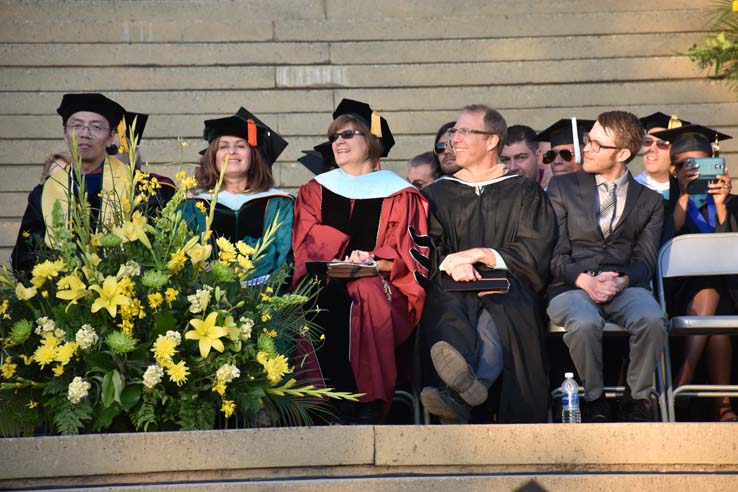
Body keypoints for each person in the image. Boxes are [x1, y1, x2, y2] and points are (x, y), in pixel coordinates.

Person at [291, 99, 429, 423]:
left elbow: (409, 253)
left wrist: (373, 259)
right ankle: (317, 403)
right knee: (311, 294)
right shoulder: (314, 191)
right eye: (334, 136)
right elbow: (305, 244)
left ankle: (368, 403)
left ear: (371, 139)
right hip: (326, 278)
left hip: (382, 286)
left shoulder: (401, 193)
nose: (338, 142)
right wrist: (341, 254)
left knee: (366, 291)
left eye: (348, 134)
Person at [420, 104, 556, 424]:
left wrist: (482, 255)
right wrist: (452, 263)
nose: (455, 139)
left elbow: (535, 248)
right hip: (452, 283)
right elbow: (427, 247)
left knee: (497, 313)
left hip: (509, 283)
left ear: (493, 141)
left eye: (465, 131)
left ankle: (459, 396)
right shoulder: (437, 194)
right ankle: (466, 390)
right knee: (448, 308)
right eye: (454, 132)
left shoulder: (525, 191)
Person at [547, 110, 668, 422]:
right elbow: (554, 254)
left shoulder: (650, 201)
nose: (586, 148)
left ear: (623, 153)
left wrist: (621, 281)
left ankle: (636, 399)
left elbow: (645, 261)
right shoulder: (562, 189)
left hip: (623, 285)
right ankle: (594, 398)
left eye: (597, 144)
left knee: (653, 318)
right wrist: (585, 281)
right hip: (571, 285)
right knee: (585, 323)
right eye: (588, 140)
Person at [650, 123, 737, 422]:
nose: (695, 170)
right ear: (673, 170)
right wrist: (684, 198)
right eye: (686, 164)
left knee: (715, 299)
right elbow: (660, 246)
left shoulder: (733, 204)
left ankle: (682, 383)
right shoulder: (661, 206)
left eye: (702, 162)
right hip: (677, 295)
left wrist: (722, 208)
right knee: (711, 301)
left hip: (730, 291)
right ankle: (722, 404)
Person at [11, 93, 129, 274]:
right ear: (65, 134)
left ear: (112, 137)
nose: (84, 133)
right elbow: (25, 257)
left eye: (96, 127)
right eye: (77, 125)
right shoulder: (44, 194)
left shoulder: (133, 185)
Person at [182, 107, 293, 281]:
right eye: (223, 147)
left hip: (263, 297)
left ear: (253, 156)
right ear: (213, 156)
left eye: (241, 146)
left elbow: (284, 256)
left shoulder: (279, 203)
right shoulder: (190, 203)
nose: (232, 152)